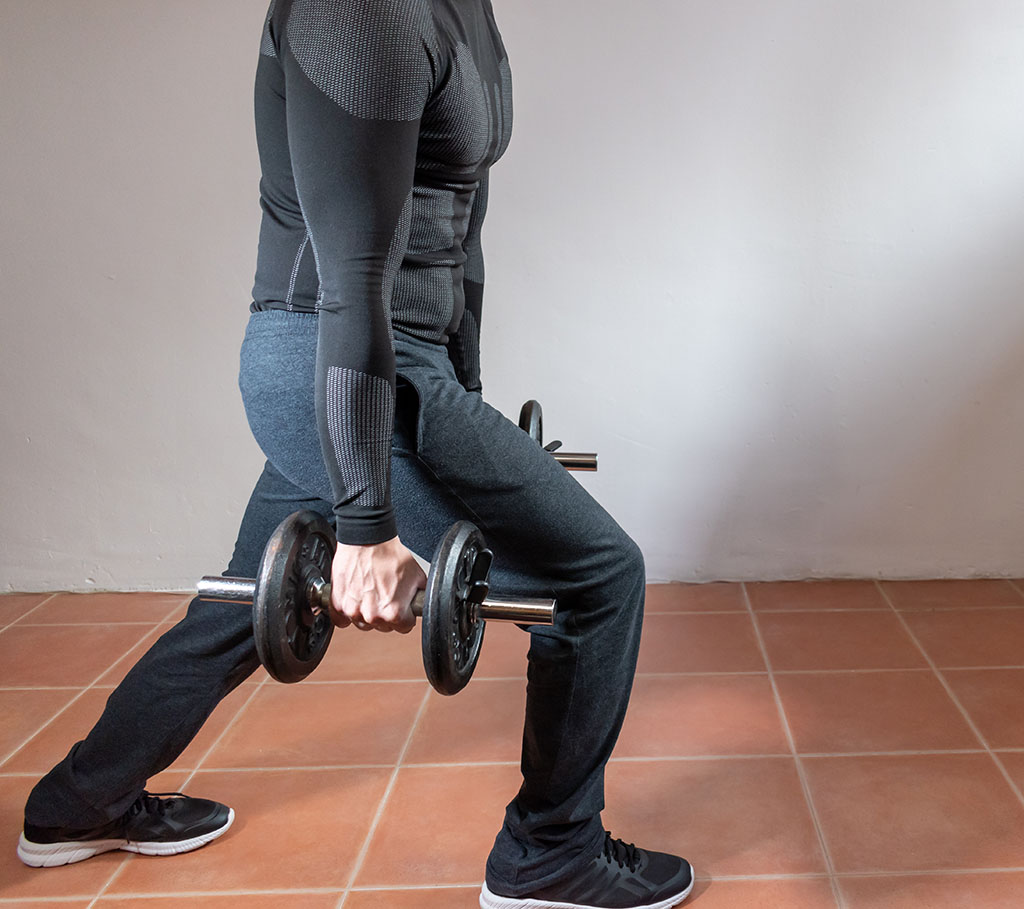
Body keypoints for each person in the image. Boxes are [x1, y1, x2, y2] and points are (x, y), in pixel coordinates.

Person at [17, 2, 694, 907]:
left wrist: (469, 391)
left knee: (242, 602)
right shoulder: (358, 9)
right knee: (598, 575)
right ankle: (549, 855)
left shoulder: (465, 11)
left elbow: (460, 223)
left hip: (389, 364)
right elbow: (352, 280)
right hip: (334, 359)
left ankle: (75, 803)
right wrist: (369, 524)